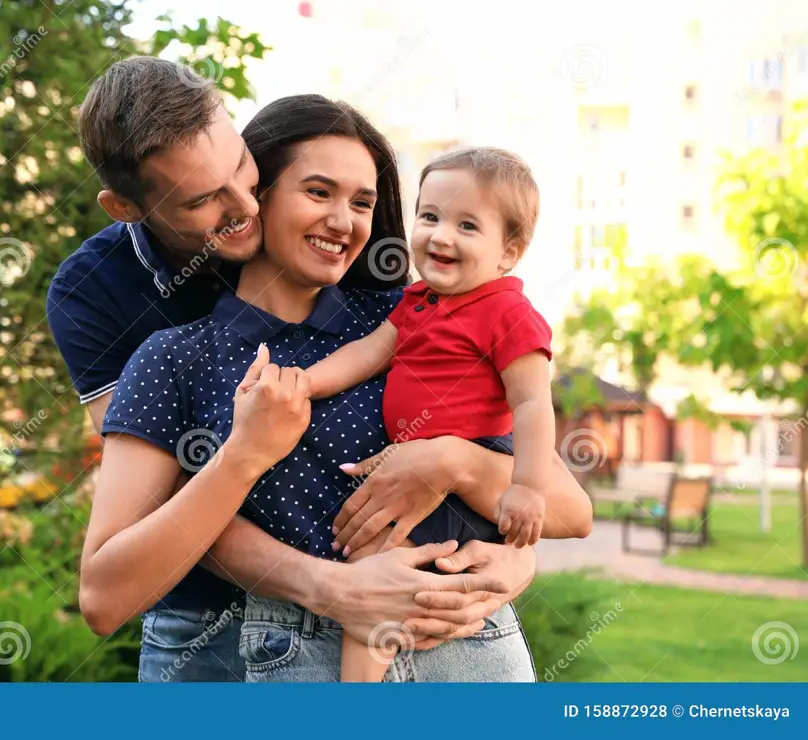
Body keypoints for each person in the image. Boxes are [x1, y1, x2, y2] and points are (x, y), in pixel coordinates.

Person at [86, 91, 593, 681]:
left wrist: (459, 476)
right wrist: (247, 456)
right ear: (258, 195)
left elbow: (567, 510)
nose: (344, 221)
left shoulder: (414, 318)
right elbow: (104, 597)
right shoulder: (176, 358)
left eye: (363, 201)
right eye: (318, 191)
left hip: (468, 650)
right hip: (297, 656)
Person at [304, 147, 555, 682]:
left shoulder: (508, 312)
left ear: (509, 252)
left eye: (467, 225)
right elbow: (370, 353)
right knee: (372, 567)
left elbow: (533, 403)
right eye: (430, 216)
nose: (440, 236)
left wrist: (529, 488)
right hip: (415, 468)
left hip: (471, 468)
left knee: (373, 563)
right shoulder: (417, 300)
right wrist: (305, 381)